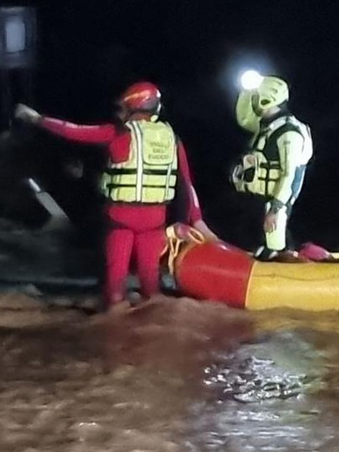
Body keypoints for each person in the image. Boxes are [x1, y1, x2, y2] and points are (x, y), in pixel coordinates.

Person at [14, 82, 218, 311]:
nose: (119, 113)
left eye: (122, 108)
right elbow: (186, 183)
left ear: (131, 107)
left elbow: (73, 131)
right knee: (151, 284)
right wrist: (197, 221)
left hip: (121, 218)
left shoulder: (118, 133)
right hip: (154, 220)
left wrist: (37, 119)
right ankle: (155, 318)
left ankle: (115, 318)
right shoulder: (173, 138)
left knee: (115, 285)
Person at [231, 75, 314, 260]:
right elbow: (244, 119)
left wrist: (275, 208)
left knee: (274, 250)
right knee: (256, 247)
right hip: (256, 201)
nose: (253, 100)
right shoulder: (267, 125)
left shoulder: (289, 132)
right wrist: (245, 92)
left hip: (274, 202)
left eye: (255, 96)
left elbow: (289, 174)